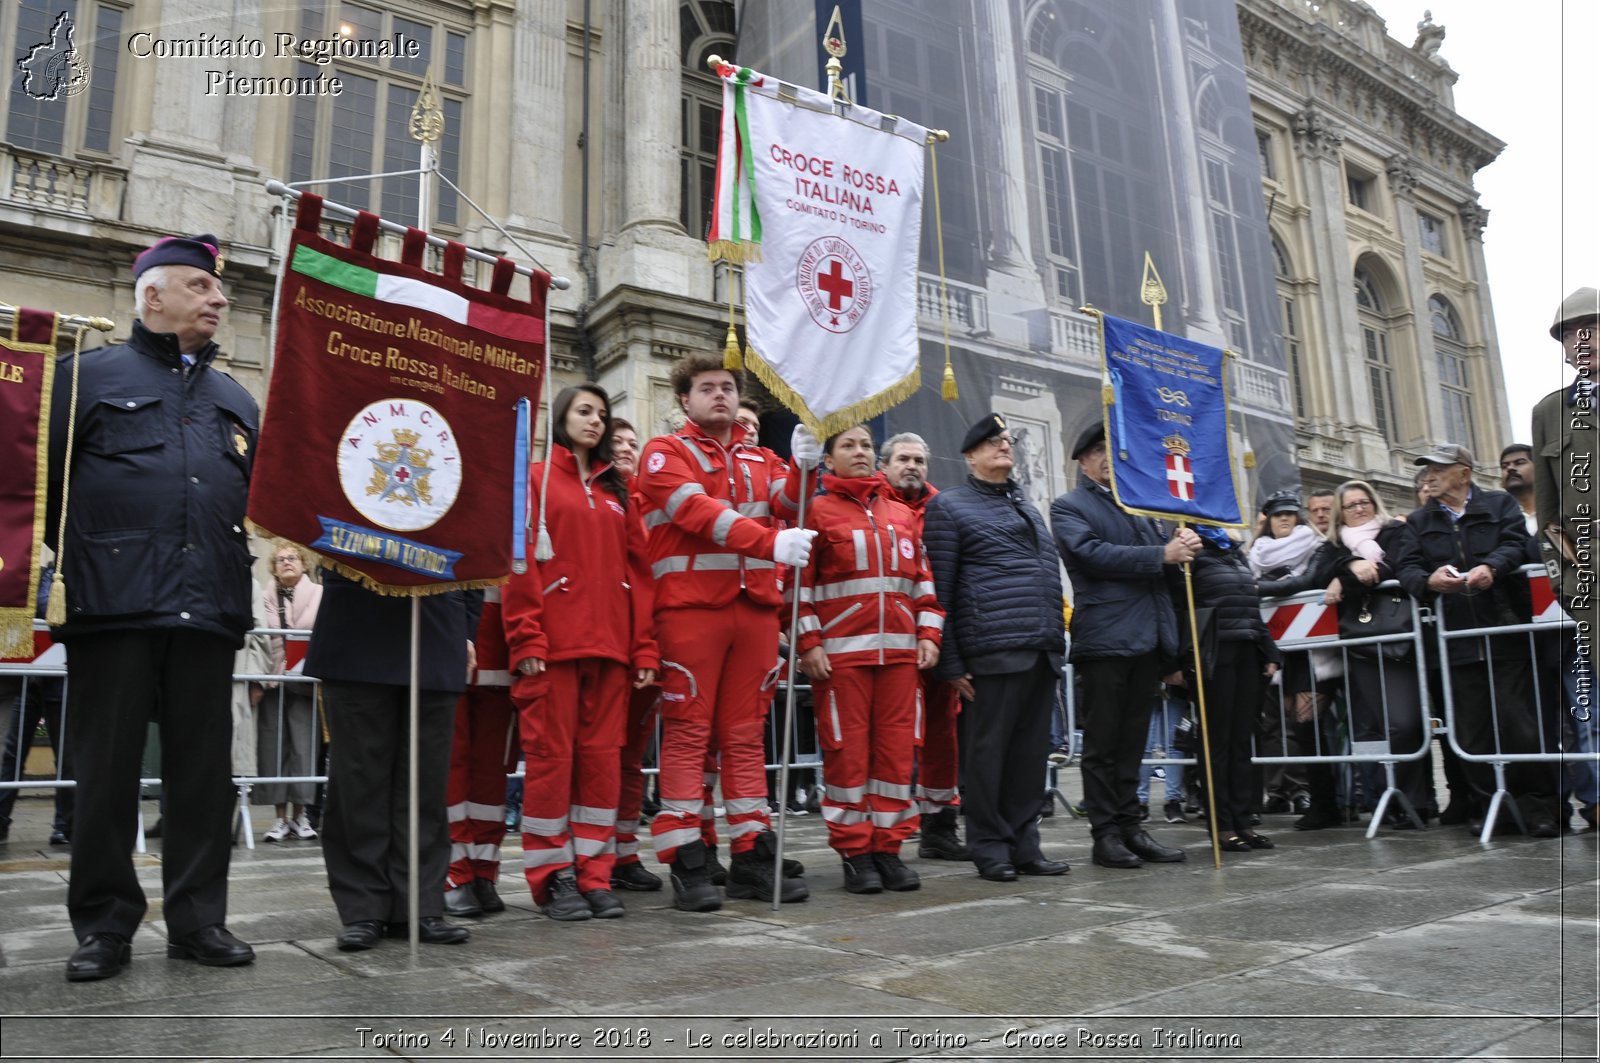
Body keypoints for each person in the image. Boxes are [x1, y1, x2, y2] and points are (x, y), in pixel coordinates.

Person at [45, 234, 258, 981]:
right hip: (114, 604)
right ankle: (104, 925)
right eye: (200, 286)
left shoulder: (236, 399)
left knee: (204, 775)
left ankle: (199, 920)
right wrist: (79, 562)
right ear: (153, 295)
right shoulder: (84, 376)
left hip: (208, 606)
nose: (218, 299)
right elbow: (41, 492)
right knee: (106, 772)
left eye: (218, 289)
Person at [634, 354, 815, 911]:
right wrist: (769, 543)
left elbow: (789, 502)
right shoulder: (664, 453)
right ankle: (687, 860)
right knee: (688, 734)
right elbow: (696, 512)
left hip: (754, 612)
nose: (720, 395)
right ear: (684, 401)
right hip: (690, 611)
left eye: (728, 387)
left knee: (744, 737)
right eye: (707, 388)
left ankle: (752, 857)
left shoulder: (761, 458)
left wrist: (807, 467)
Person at [502, 383, 659, 921]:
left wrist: (643, 649)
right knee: (551, 764)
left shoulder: (619, 494)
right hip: (554, 650)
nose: (595, 422)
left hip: (611, 651)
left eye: (601, 414)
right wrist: (525, 637)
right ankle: (553, 878)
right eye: (583, 411)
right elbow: (518, 563)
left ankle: (594, 873)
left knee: (601, 768)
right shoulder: (537, 482)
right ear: (562, 418)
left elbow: (639, 575)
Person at [795, 425, 943, 893]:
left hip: (900, 658)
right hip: (842, 660)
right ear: (829, 459)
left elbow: (923, 581)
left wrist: (929, 634)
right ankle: (855, 853)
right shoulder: (813, 511)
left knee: (897, 756)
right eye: (847, 446)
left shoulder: (901, 514)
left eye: (864, 445)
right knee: (847, 757)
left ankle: (889, 849)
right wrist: (809, 643)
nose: (858, 452)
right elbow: (797, 588)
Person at [924, 413, 1070, 882]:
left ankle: (1025, 844)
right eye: (993, 442)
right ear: (970, 455)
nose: (1004, 446)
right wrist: (950, 661)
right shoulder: (950, 506)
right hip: (990, 651)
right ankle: (989, 847)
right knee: (987, 757)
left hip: (1039, 647)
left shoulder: (1025, 504)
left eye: (1006, 440)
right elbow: (939, 590)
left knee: (1029, 758)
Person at [307, 573, 481, 950]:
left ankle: (419, 905)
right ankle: (362, 907)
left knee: (425, 784)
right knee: (358, 783)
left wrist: (466, 628)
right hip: (359, 621)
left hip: (435, 624)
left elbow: (474, 546)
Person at [1050, 422, 1195, 870]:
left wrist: (1185, 547)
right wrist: (1160, 555)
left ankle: (1132, 826)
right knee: (1103, 743)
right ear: (1082, 461)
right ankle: (1105, 833)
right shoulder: (1068, 506)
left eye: (1114, 449)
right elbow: (1092, 555)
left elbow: (1165, 577)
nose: (1108, 457)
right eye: (1098, 450)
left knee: (1134, 743)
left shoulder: (1142, 508)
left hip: (1147, 639)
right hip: (1106, 639)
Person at [1399, 445, 1562, 837]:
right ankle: (1493, 806)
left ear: (1464, 473)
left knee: (1520, 725)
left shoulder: (1499, 504)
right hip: (1454, 642)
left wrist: (1492, 566)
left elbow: (1516, 545)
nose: (1429, 476)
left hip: (1504, 634)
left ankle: (1540, 808)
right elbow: (1405, 566)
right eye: (1426, 470)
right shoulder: (1418, 521)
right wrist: (1428, 581)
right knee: (1472, 733)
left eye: (1439, 468)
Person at [1317, 480, 1431, 825]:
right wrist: (1348, 568)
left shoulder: (1393, 530)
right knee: (1374, 729)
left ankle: (1415, 801)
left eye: (1364, 502)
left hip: (1400, 639)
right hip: (1360, 644)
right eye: (1351, 505)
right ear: (1342, 512)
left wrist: (1362, 574)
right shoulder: (1334, 544)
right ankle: (1392, 801)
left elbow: (1402, 565)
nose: (1359, 509)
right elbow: (1319, 574)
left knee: (1405, 723)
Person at [879, 431, 970, 861]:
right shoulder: (868, 503)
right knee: (890, 739)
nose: (912, 466)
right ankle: (884, 831)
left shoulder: (945, 509)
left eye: (919, 459)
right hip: (885, 639)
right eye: (903, 459)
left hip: (936, 639)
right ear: (885, 465)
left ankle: (940, 825)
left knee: (942, 735)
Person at [1533, 287, 1600, 830]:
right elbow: (1549, 517)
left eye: (1594, 328)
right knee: (1592, 707)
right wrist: (1568, 582)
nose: (1585, 339)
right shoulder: (1550, 412)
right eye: (1573, 333)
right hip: (1589, 580)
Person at [1175, 526, 1282, 852]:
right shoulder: (1189, 550)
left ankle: (1243, 820)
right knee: (1216, 744)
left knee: (1241, 741)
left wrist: (1269, 650)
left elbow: (1250, 606)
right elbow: (1180, 604)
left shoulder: (1234, 553)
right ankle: (1221, 825)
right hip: (1214, 654)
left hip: (1247, 652)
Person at [1249, 491, 1335, 824]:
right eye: (1277, 515)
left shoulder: (1315, 544)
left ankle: (1322, 800)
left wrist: (1260, 589)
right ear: (1268, 520)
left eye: (1290, 514)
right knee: (1287, 728)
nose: (1285, 519)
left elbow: (1309, 580)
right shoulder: (1257, 554)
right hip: (1278, 651)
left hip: (1314, 651)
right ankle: (1300, 794)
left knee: (1310, 724)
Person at [608, 417, 667, 892]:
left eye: (634, 442)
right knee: (596, 753)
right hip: (605, 642)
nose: (628, 449)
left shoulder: (650, 503)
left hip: (648, 643)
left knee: (632, 756)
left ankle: (624, 852)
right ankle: (589, 851)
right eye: (618, 442)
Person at [441, 583, 517, 919]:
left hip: (502, 643)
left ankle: (484, 868)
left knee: (491, 774)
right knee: (450, 767)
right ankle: (454, 869)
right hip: (451, 634)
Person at [256, 543, 322, 842]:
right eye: (280, 560)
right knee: (273, 746)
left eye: (291, 558)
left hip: (306, 681)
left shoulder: (320, 594)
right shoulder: (265, 596)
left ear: (304, 564)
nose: (286, 563)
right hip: (274, 680)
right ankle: (280, 818)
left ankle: (301, 816)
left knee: (303, 747)